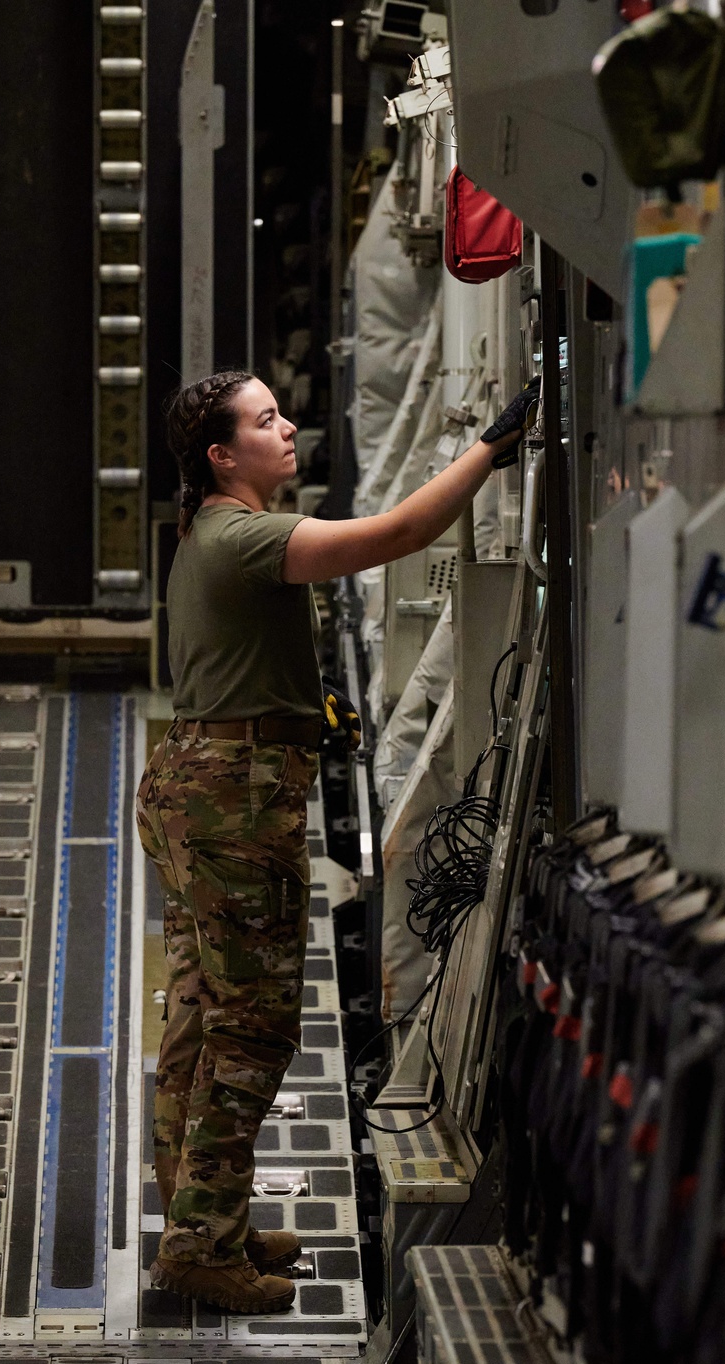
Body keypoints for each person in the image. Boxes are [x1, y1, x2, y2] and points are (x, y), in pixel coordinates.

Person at [136, 367, 538, 1313]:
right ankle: (201, 1244)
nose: (290, 428)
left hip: (200, 788)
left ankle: (205, 1223)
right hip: (232, 803)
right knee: (252, 1025)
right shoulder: (244, 537)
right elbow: (397, 536)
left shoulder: (212, 532)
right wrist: (492, 447)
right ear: (221, 455)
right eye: (267, 419)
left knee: (203, 1012)